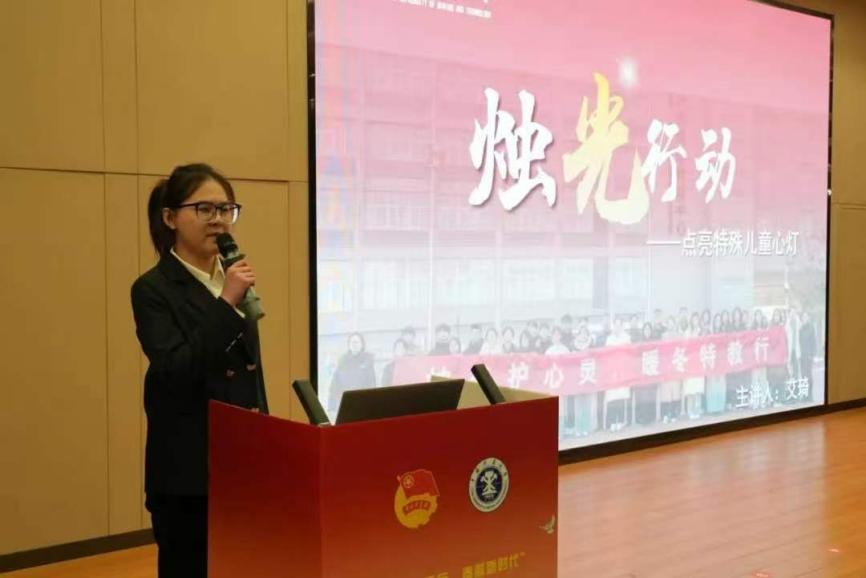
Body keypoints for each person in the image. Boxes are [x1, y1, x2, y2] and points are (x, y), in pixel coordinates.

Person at [132, 163, 268, 578]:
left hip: (241, 463)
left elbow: (250, 373)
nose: (218, 220)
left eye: (226, 209)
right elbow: (176, 369)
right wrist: (225, 304)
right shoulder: (153, 289)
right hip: (188, 471)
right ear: (170, 217)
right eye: (204, 209)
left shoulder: (232, 278)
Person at [329, 332, 376, 412]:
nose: (354, 344)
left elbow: (371, 384)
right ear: (349, 344)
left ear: (362, 344)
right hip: (345, 402)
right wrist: (332, 406)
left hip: (363, 402)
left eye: (357, 342)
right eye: (352, 342)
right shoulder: (343, 361)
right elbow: (334, 385)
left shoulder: (368, 361)